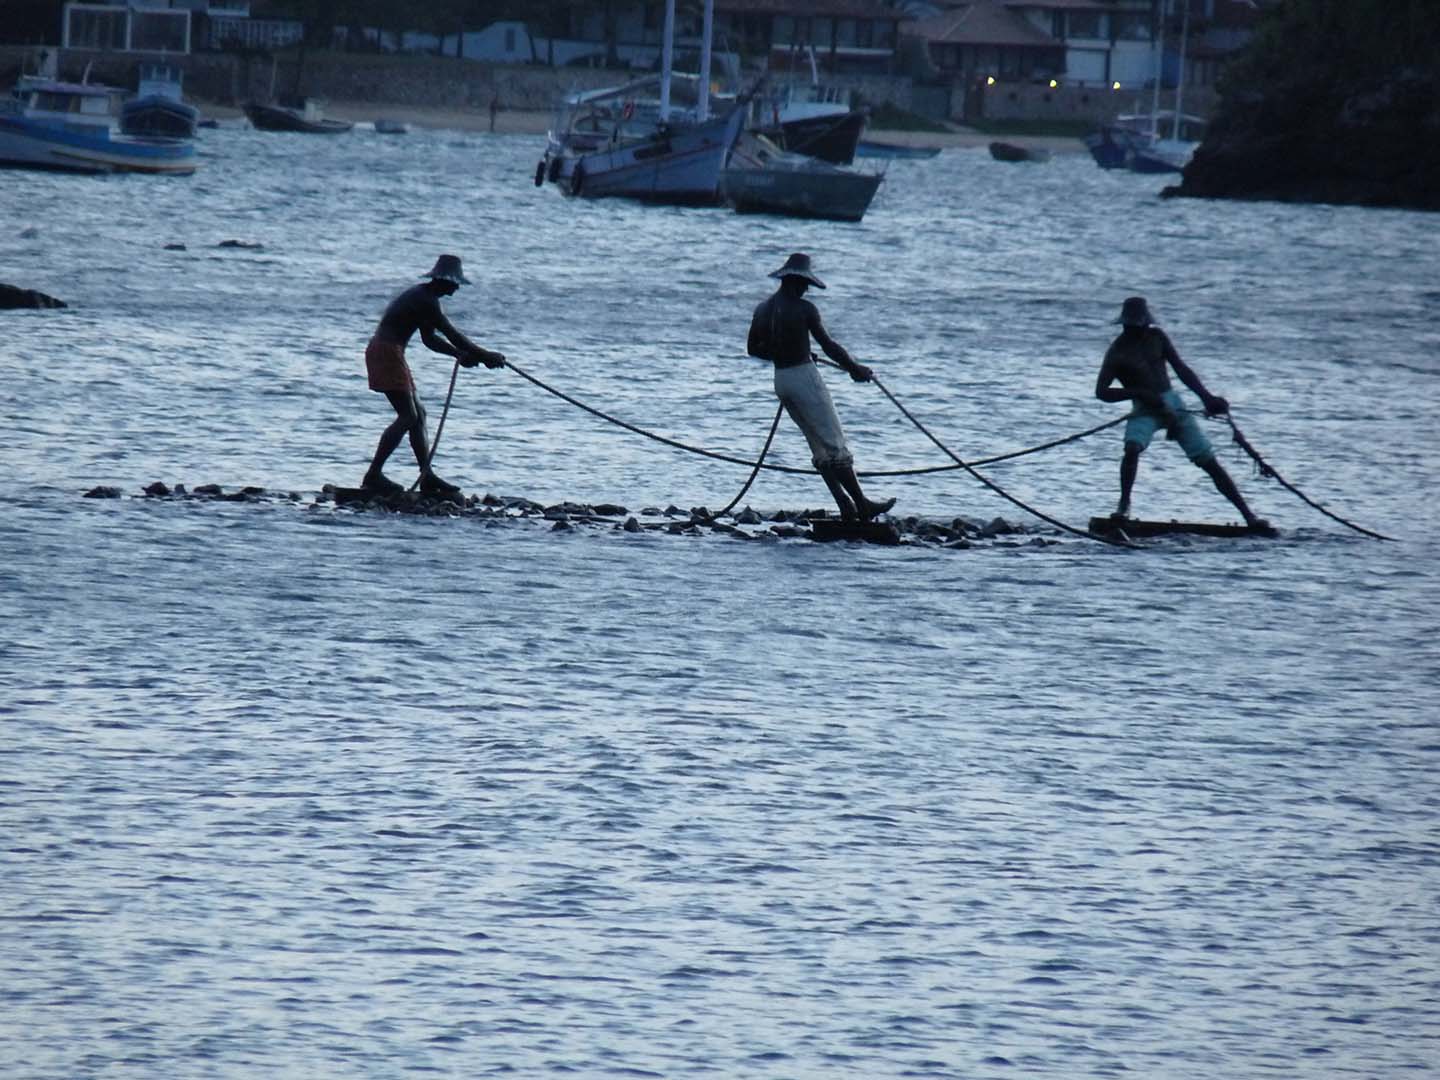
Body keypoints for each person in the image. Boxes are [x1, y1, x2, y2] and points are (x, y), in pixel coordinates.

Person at [1095, 296, 1271, 532]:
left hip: (1173, 404)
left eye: (1142, 325)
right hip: (1145, 409)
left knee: (1208, 461)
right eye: (1134, 326)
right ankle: (1123, 506)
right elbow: (1102, 392)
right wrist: (1138, 392)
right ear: (1125, 325)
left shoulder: (1157, 338)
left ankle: (1249, 517)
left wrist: (1207, 398)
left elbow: (1181, 369)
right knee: (1132, 448)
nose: (1139, 330)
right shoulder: (1117, 352)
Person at [746, 253, 894, 522]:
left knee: (819, 447)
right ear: (795, 281)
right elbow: (828, 346)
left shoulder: (763, 309)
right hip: (804, 379)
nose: (805, 289)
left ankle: (846, 505)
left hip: (782, 380)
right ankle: (862, 505)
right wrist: (854, 368)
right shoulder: (805, 310)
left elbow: (753, 349)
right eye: (803, 284)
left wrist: (786, 353)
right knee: (834, 444)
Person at [361, 254, 505, 496]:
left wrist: (459, 355)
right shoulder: (425, 300)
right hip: (386, 352)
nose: (457, 287)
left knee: (419, 415)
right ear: (443, 280)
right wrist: (484, 355)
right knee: (408, 416)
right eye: (455, 282)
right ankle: (374, 474)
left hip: (390, 351)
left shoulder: (424, 298)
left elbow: (430, 339)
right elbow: (452, 333)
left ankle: (426, 475)